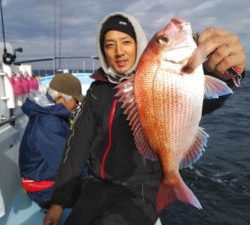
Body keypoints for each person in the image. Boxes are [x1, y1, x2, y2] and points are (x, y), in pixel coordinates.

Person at [44, 12, 246, 225]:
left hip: (140, 189)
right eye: (110, 45)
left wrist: (230, 72)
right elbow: (77, 145)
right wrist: (58, 202)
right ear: (103, 51)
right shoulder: (96, 91)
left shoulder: (159, 77)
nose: (119, 51)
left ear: (138, 44)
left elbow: (203, 98)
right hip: (96, 185)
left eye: (126, 42)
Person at [19, 73, 84, 209]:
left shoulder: (50, 116)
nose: (77, 104)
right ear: (60, 99)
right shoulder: (48, 123)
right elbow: (65, 164)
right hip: (45, 192)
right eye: (75, 100)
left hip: (47, 179)